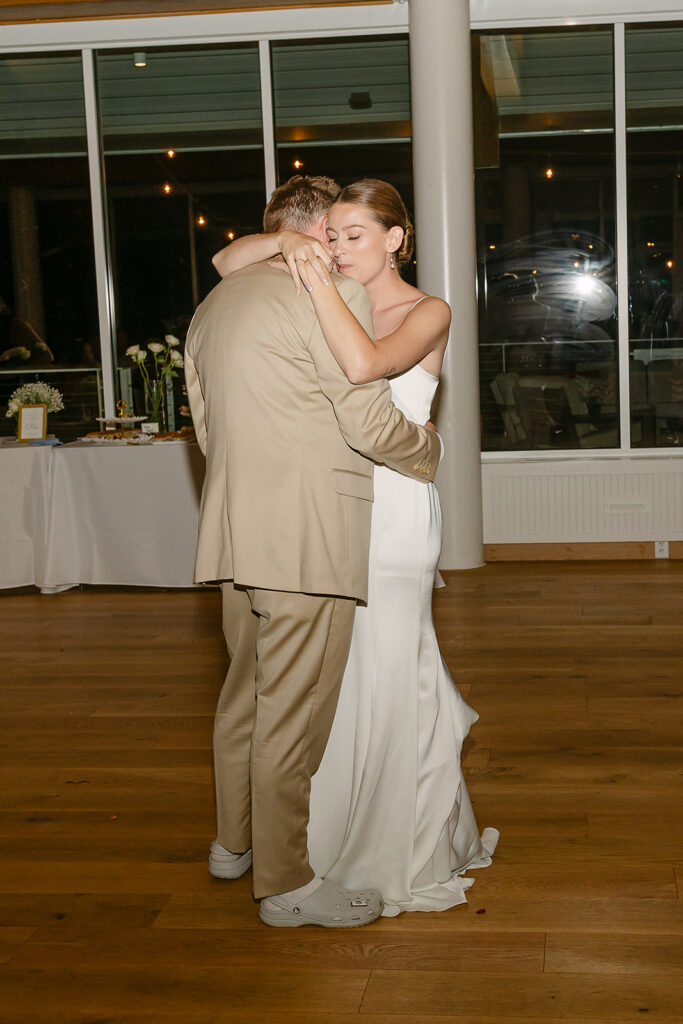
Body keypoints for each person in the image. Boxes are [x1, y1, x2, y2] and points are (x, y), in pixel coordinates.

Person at [212, 177, 498, 916]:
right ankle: (323, 835)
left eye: (353, 234)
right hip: (327, 506)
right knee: (329, 683)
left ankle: (397, 836)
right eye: (329, 235)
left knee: (391, 665)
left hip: (394, 501)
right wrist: (291, 251)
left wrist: (314, 284)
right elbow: (226, 263)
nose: (336, 247)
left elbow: (364, 367)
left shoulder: (426, 308)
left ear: (396, 238)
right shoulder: (322, 287)